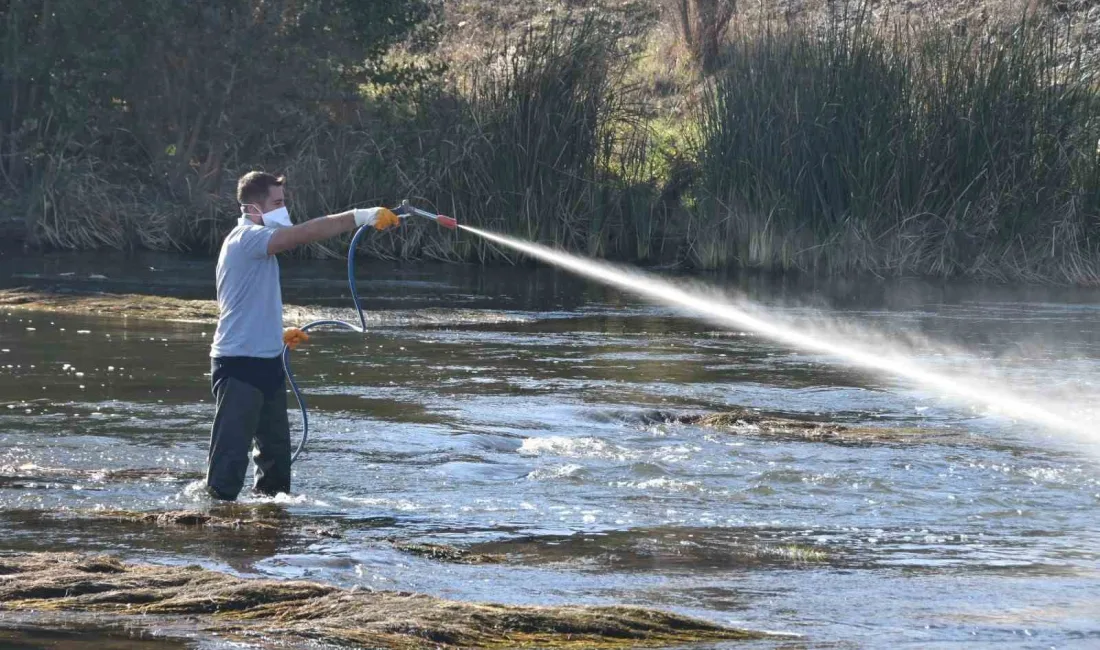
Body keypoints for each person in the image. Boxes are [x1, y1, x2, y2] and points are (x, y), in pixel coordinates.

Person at [205, 171, 400, 501]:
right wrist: (361, 217)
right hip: (237, 366)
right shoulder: (246, 239)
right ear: (253, 208)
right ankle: (216, 529)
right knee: (228, 468)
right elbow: (303, 234)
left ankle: (269, 532)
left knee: (276, 466)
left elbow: (246, 300)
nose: (284, 209)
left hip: (268, 363)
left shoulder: (257, 246)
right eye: (277, 203)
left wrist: (276, 334)